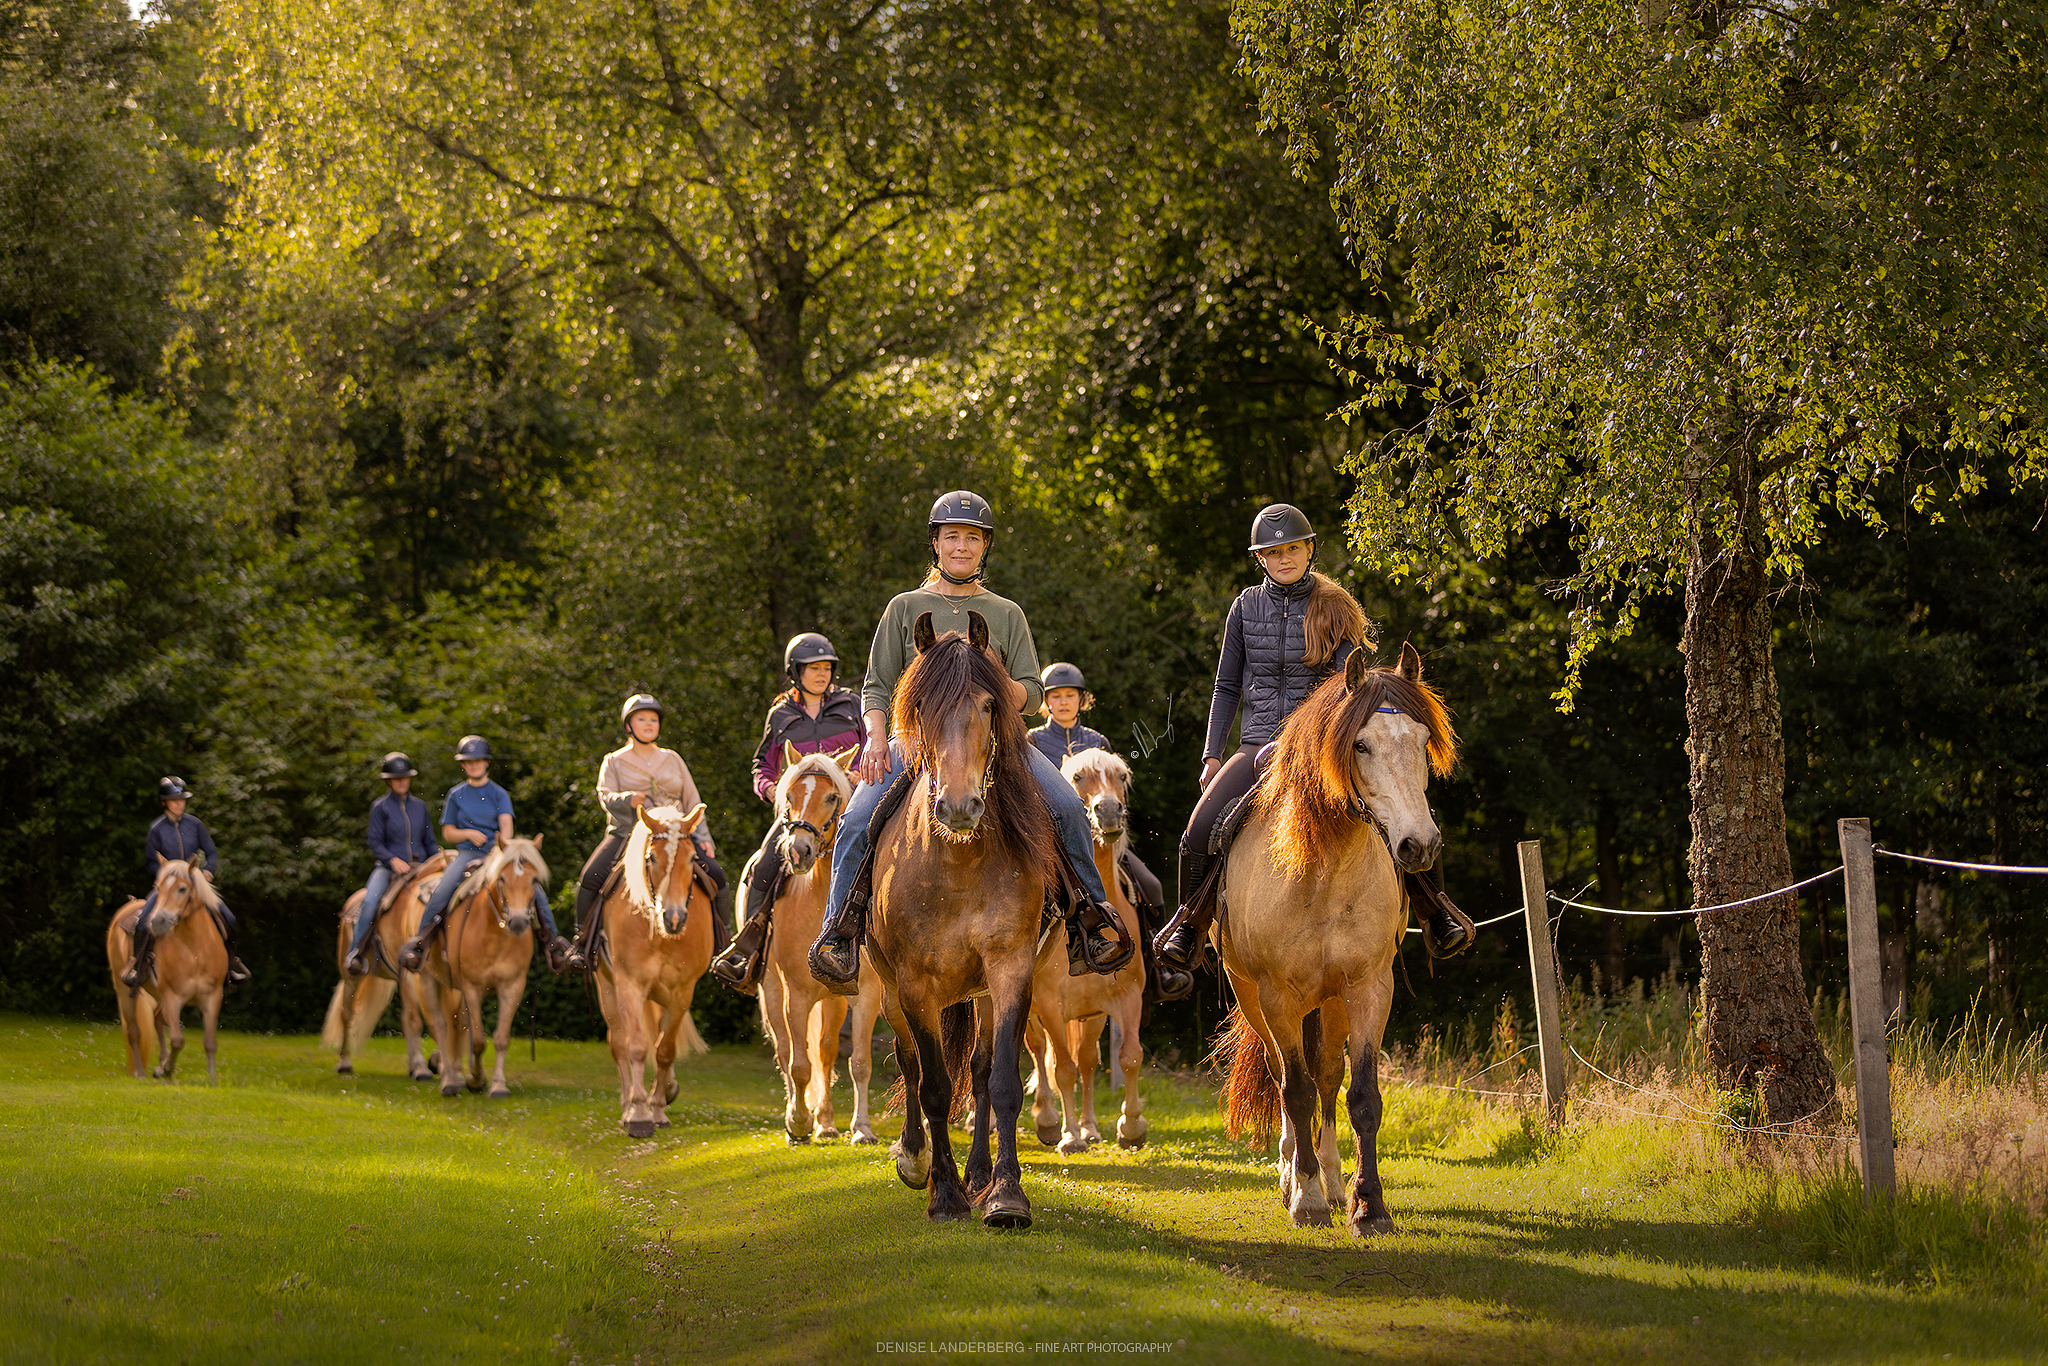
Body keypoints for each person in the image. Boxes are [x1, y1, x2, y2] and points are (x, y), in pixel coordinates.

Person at [809, 490, 1133, 989]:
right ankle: (840, 932)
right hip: (916, 743)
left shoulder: (1005, 613)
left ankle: (1089, 922)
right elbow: (876, 684)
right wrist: (877, 739)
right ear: (935, 543)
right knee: (855, 819)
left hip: (997, 747)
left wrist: (995, 683)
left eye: (973, 538)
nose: (962, 546)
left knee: (1067, 806)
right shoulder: (904, 607)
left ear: (985, 547)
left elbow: (1029, 689)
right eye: (952, 536)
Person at [1156, 504, 1469, 971]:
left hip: (1316, 746)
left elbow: (1350, 684)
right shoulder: (1243, 607)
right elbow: (1226, 685)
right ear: (1260, 559)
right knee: (1199, 830)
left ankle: (1434, 911)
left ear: (1309, 550)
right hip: (1256, 742)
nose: (1286, 559)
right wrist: (1212, 755)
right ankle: (1190, 925)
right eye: (1274, 552)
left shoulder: (1335, 607)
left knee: (1407, 809)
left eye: (1294, 549)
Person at [1027, 663, 1192, 1002]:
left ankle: (1157, 966)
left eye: (1069, 695)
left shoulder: (1097, 741)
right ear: (1046, 703)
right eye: (1055, 697)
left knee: (1151, 884)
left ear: (1082, 699)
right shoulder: (1034, 741)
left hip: (1100, 839)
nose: (1063, 702)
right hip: (1050, 842)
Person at [709, 634, 865, 992]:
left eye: (827, 668)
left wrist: (859, 772)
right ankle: (746, 950)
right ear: (796, 672)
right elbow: (762, 765)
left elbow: (874, 747)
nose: (822, 674)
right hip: (799, 815)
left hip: (848, 810)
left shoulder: (850, 704)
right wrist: (771, 789)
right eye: (813, 668)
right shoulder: (781, 715)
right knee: (763, 865)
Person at [567, 696, 729, 968]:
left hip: (676, 835)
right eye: (642, 718)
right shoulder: (614, 760)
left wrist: (703, 839)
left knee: (717, 876)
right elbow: (604, 796)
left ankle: (725, 946)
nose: (649, 724)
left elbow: (692, 800)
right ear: (628, 725)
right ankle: (582, 943)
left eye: (653, 719)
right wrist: (627, 800)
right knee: (591, 876)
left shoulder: (672, 758)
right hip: (628, 833)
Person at [398, 736, 576, 973]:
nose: (474, 765)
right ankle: (420, 943)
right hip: (466, 853)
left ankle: (553, 945)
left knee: (535, 890)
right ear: (463, 765)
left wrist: (499, 847)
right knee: (443, 888)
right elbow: (448, 832)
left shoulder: (499, 793)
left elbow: (507, 828)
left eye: (478, 761)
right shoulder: (456, 794)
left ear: (487, 763)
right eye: (469, 762)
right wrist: (468, 834)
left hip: (497, 853)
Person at [120, 776, 251, 988]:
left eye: (182, 799)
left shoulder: (195, 825)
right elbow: (150, 862)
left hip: (195, 885)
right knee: (144, 920)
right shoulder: (156, 829)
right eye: (174, 800)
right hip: (168, 888)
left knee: (229, 918)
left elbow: (211, 853)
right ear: (164, 802)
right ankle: (138, 966)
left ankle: (230, 965)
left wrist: (208, 870)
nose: (180, 803)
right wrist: (162, 877)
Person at [344, 753, 438, 978]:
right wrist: (392, 860)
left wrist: (439, 861)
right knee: (370, 901)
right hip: (389, 867)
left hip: (420, 867)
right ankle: (355, 953)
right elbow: (374, 841)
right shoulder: (380, 807)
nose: (402, 782)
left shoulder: (420, 807)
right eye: (397, 778)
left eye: (405, 777)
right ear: (388, 781)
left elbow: (430, 842)